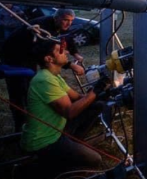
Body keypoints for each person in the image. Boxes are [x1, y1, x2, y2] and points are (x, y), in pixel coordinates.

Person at [21, 40, 109, 169]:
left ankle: (73, 143)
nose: (66, 52)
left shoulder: (55, 76)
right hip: (44, 141)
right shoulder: (44, 80)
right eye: (60, 51)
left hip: (57, 131)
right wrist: (95, 91)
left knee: (97, 105)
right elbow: (70, 112)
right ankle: (38, 167)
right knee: (95, 160)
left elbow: (79, 98)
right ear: (49, 59)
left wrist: (102, 93)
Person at [0, 8, 85, 132]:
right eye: (66, 20)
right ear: (56, 18)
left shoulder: (59, 25)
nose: (69, 23)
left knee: (31, 85)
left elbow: (66, 37)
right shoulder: (43, 28)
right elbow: (44, 54)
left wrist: (75, 53)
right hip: (14, 55)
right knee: (20, 89)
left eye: (71, 20)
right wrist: (70, 64)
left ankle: (35, 115)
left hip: (30, 54)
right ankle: (20, 127)